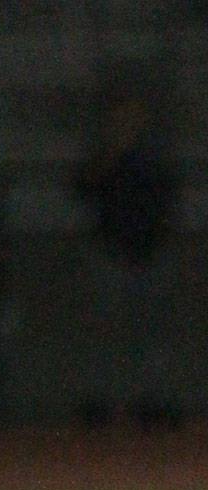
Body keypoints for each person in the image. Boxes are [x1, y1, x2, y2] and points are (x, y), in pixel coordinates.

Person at [74, 84, 183, 426]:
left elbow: (166, 200)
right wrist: (110, 153)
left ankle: (152, 402)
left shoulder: (154, 155)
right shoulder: (103, 152)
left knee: (148, 332)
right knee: (105, 331)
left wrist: (157, 243)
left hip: (149, 252)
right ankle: (100, 403)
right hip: (110, 251)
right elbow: (82, 189)